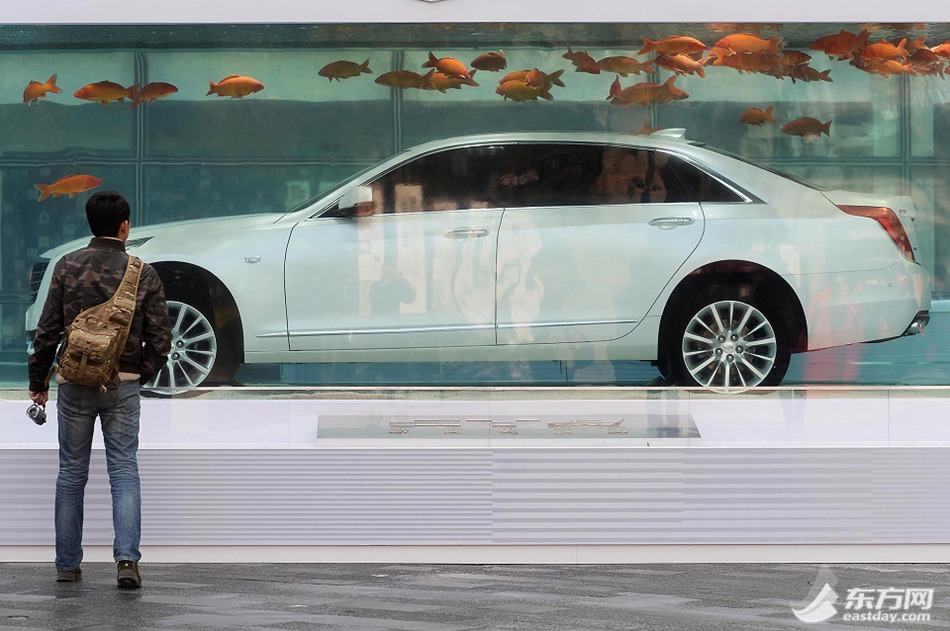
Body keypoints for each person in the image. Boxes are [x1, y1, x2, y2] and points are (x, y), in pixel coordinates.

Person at [28, 191, 171, 589]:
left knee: (71, 473)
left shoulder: (67, 265)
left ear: (91, 225)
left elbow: (47, 331)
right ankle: (127, 561)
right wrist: (135, 373)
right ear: (124, 226)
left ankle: (67, 565)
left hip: (73, 385)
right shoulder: (143, 272)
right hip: (121, 387)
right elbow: (161, 340)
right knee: (123, 470)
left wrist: (38, 381)